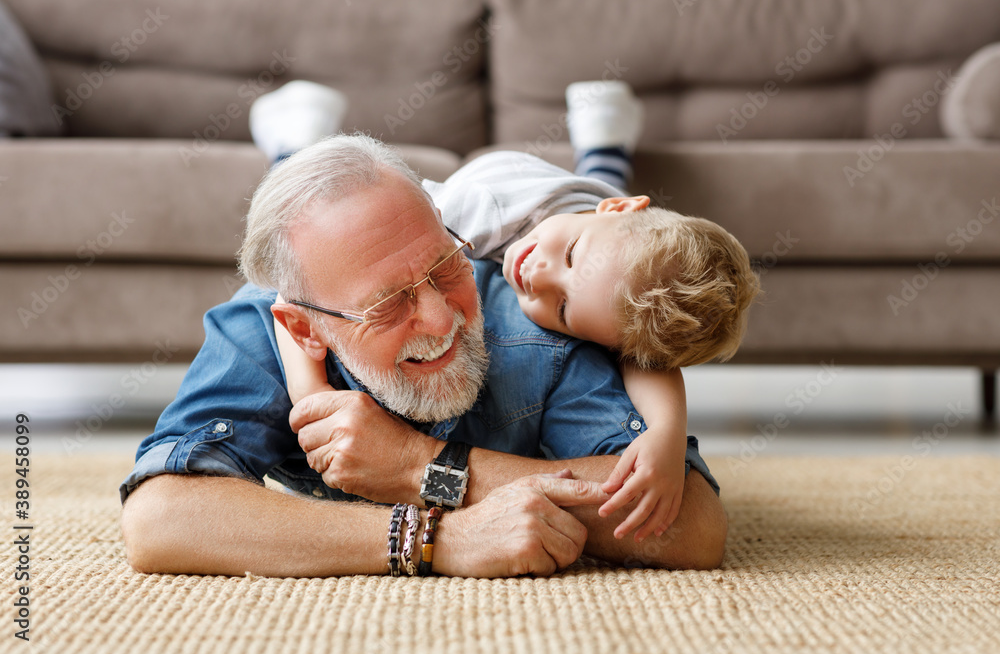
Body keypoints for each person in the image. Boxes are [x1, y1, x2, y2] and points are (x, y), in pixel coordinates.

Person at [119, 101, 729, 581]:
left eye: (444, 270)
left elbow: (691, 525)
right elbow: (159, 518)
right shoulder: (260, 326)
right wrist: (432, 538)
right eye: (388, 304)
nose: (441, 319)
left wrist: (420, 468)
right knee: (295, 196)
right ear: (306, 329)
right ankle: (291, 141)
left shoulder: (540, 315)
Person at [269, 81, 759, 542]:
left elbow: (646, 359)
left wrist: (667, 436)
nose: (537, 275)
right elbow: (303, 281)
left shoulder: (602, 258)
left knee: (598, 203)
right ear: (617, 211)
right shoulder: (473, 215)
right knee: (308, 211)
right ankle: (293, 145)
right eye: (570, 258)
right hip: (533, 200)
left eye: (563, 309)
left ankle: (605, 150)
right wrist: (312, 395)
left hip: (586, 216)